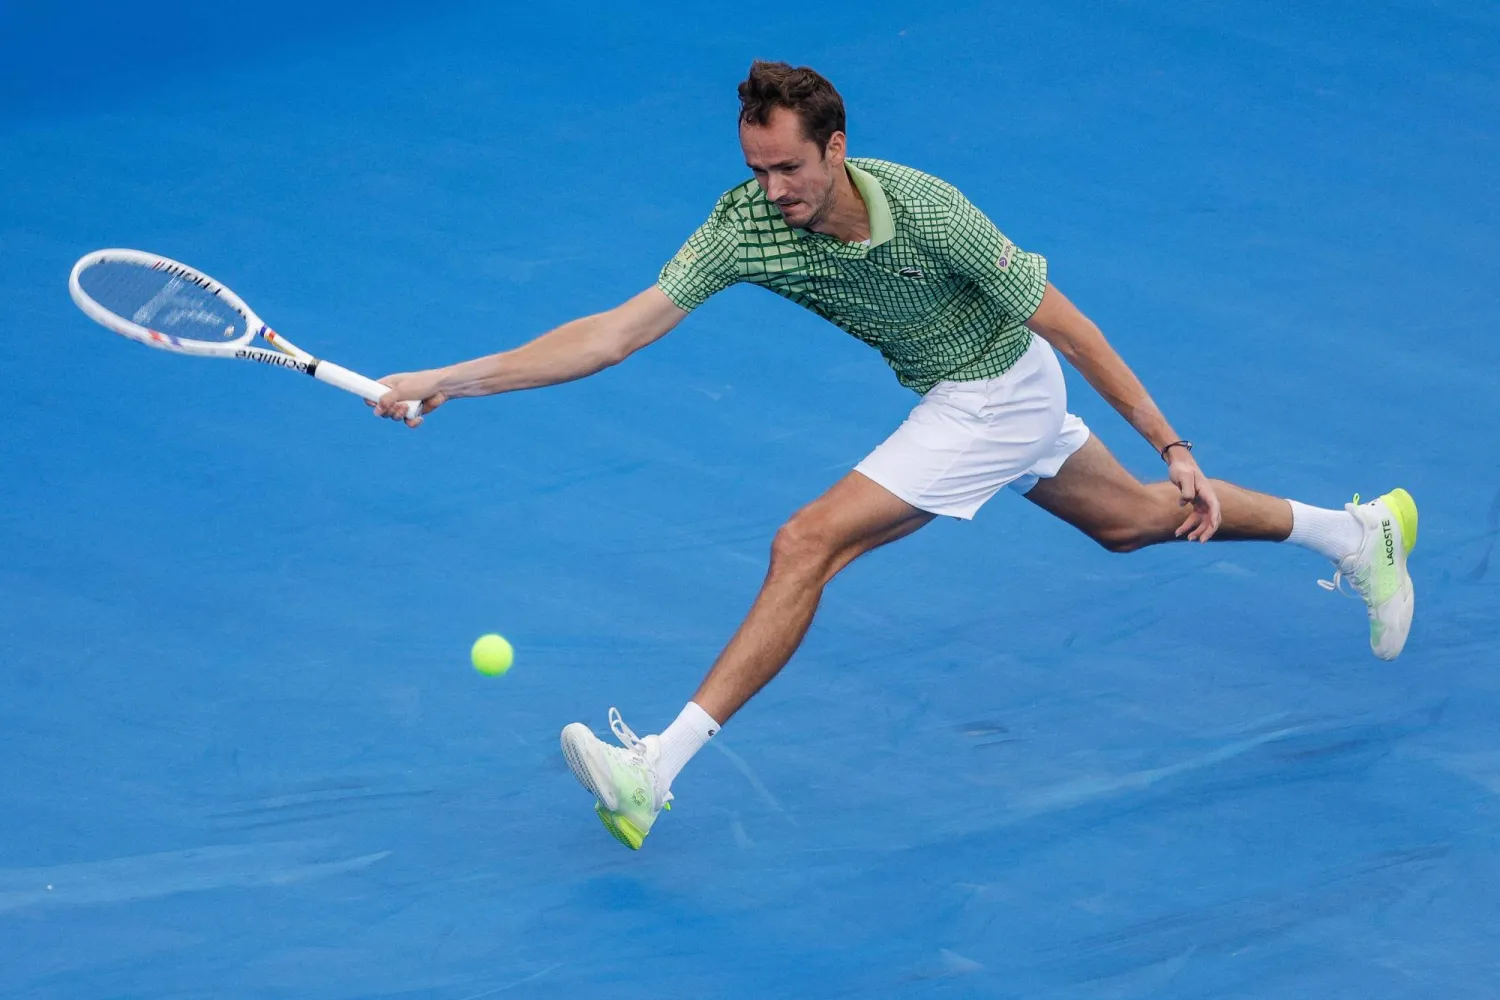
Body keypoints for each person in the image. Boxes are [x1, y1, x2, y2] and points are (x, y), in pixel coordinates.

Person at [372, 61, 1417, 850]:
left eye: (788, 166)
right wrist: (447, 376)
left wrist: (1173, 439)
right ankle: (1356, 530)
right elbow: (614, 331)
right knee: (1136, 522)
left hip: (996, 394)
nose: (772, 187)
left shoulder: (929, 211)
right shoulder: (746, 226)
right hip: (964, 395)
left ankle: (654, 768)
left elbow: (1073, 328)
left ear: (836, 148)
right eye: (756, 166)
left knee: (806, 543)